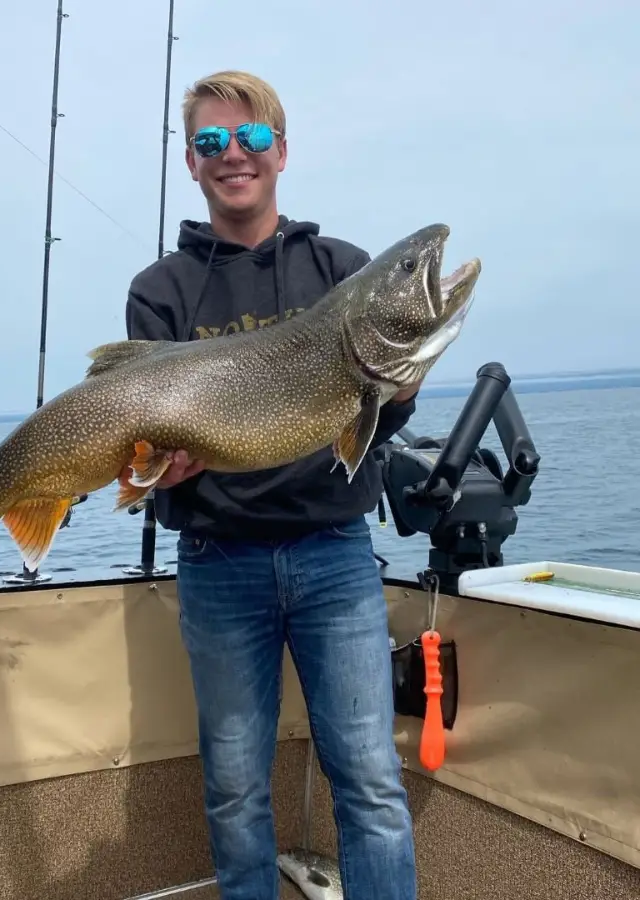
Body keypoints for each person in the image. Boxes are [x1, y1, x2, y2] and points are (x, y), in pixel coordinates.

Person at [124, 70, 419, 900]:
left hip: (335, 558)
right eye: (213, 142)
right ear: (191, 162)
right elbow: (146, 451)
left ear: (281, 151)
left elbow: (362, 438)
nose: (234, 157)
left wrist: (399, 394)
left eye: (251, 139)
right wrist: (157, 468)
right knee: (233, 790)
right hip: (220, 567)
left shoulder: (344, 271)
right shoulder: (160, 292)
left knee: (368, 781)